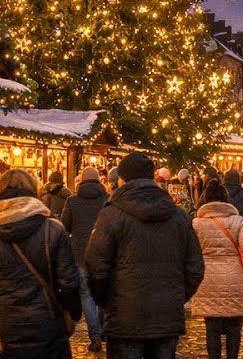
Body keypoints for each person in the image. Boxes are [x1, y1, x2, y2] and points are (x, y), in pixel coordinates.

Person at [85, 152, 204, 359]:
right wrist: (175, 296)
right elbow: (195, 267)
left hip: (125, 317)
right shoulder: (178, 216)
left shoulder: (111, 215)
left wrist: (109, 300)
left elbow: (95, 266)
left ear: (122, 179)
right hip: (166, 316)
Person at [0, 169, 82, 359]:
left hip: (5, 324)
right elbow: (68, 281)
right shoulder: (53, 229)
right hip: (47, 322)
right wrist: (72, 313)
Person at [191, 180, 243, 359]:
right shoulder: (237, 220)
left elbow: (191, 253)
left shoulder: (197, 223)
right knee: (235, 327)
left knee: (212, 329)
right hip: (234, 278)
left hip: (207, 280)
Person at [61, 165, 110, 352]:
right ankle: (103, 327)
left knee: (86, 295)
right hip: (104, 255)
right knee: (104, 293)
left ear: (80, 181)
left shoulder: (72, 201)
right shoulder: (107, 199)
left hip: (80, 255)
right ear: (99, 180)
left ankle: (95, 335)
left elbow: (64, 227)